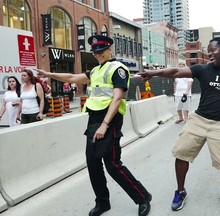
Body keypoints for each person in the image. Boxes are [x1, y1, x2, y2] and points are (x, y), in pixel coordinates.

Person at [139, 37, 220, 211]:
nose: (209, 53)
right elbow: (176, 71)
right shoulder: (203, 69)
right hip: (199, 120)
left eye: (212, 49)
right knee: (181, 153)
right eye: (208, 50)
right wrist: (153, 73)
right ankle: (180, 191)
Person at [35, 34, 152, 216]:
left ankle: (142, 197)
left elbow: (118, 98)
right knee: (93, 164)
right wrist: (48, 74)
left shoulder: (118, 69)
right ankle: (102, 203)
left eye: (101, 51)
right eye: (95, 52)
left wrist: (105, 124)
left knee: (113, 164)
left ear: (109, 49)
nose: (98, 54)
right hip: (93, 120)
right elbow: (72, 77)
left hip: (110, 121)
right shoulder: (96, 70)